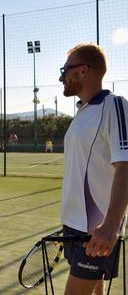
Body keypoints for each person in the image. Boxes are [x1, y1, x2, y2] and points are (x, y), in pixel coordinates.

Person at [59, 43, 128, 295]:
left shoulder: (114, 105)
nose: (62, 77)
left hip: (98, 229)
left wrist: (111, 225)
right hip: (76, 226)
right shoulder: (82, 113)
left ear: (83, 70)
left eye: (66, 70)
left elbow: (126, 165)